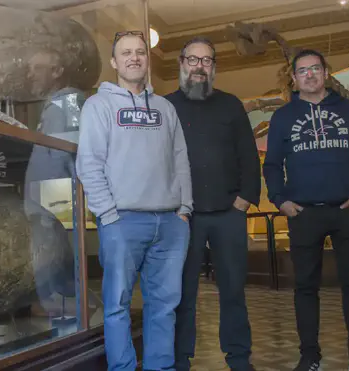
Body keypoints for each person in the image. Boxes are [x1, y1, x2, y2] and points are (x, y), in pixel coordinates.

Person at [76, 30, 193, 371]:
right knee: (116, 306)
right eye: (125, 52)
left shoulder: (165, 108)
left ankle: (161, 367)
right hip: (122, 222)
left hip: (171, 223)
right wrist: (108, 215)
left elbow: (180, 159)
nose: (134, 57)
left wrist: (184, 210)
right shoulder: (99, 105)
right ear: (114, 62)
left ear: (147, 58)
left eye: (140, 52)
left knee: (164, 306)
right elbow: (89, 163)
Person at [262, 49, 349, 371]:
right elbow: (272, 164)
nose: (310, 75)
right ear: (294, 78)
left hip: (347, 211)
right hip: (303, 214)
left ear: (326, 72)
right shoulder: (283, 117)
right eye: (302, 71)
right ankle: (309, 357)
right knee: (304, 288)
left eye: (315, 68)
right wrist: (280, 200)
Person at [165, 37, 261, 371]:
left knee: (233, 290)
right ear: (181, 64)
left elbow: (249, 156)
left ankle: (238, 357)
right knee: (182, 294)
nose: (199, 67)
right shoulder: (166, 107)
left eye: (206, 61)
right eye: (193, 60)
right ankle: (180, 360)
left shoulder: (231, 105)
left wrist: (244, 201)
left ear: (213, 68)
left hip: (228, 214)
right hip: (182, 217)